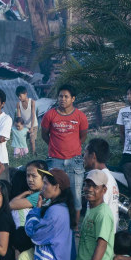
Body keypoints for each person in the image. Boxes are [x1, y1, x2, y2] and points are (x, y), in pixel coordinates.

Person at [40, 85, 89, 213]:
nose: (63, 99)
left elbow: (83, 136)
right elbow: (44, 134)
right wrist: (54, 146)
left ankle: (75, 229)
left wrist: (73, 147)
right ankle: (55, 220)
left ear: (73, 99)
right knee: (53, 194)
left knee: (76, 196)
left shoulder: (80, 116)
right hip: (55, 160)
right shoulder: (50, 115)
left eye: (66, 96)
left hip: (75, 161)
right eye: (60, 96)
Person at [83, 139, 119, 226]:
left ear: (93, 156)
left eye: (85, 152)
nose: (83, 156)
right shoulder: (108, 177)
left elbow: (100, 213)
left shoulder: (102, 179)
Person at [15, 86, 37, 156]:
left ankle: (33, 154)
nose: (19, 98)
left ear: (25, 94)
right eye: (18, 96)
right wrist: (19, 127)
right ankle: (22, 154)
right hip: (24, 126)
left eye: (20, 96)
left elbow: (33, 115)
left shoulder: (32, 102)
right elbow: (19, 117)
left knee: (31, 139)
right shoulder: (18, 104)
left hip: (33, 125)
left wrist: (31, 127)